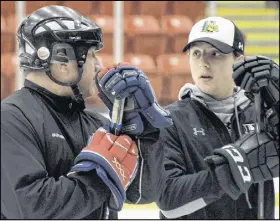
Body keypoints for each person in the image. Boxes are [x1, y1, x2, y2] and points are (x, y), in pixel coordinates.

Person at [1, 5, 173, 219]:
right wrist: (99, 177)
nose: (98, 65)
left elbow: (142, 193)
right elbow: (29, 207)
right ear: (62, 60)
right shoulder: (10, 119)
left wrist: (143, 133)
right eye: (91, 55)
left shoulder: (96, 122)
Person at [155, 16, 279, 219]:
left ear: (238, 59)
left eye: (215, 53)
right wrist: (235, 169)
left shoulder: (260, 111)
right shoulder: (169, 120)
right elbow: (168, 200)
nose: (203, 62)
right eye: (196, 53)